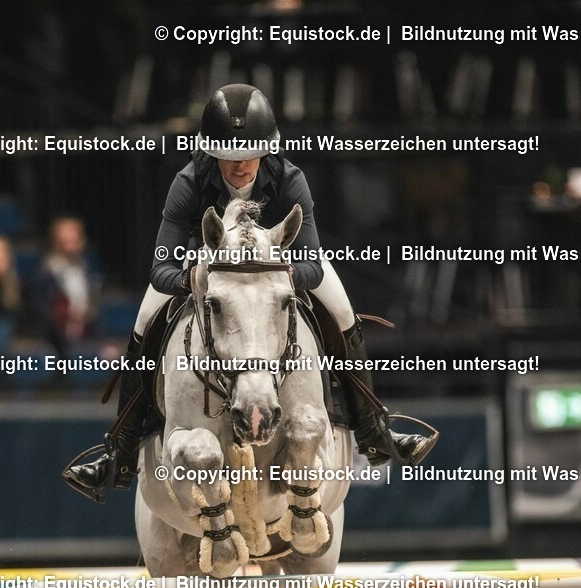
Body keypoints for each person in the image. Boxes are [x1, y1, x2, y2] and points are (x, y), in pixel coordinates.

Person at [65, 84, 433, 501]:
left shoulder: (290, 179)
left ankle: (373, 429)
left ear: (267, 149)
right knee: (144, 322)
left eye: (250, 154)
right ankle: (120, 451)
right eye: (229, 155)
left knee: (343, 311)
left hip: (276, 270)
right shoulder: (188, 182)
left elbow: (312, 264)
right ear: (211, 152)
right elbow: (161, 267)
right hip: (209, 267)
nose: (240, 165)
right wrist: (191, 279)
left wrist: (276, 276)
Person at [34, 216, 100, 356]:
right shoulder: (45, 274)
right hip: (55, 340)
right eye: (63, 242)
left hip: (87, 335)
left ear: (82, 242)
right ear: (54, 243)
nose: (69, 248)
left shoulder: (89, 271)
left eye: (74, 242)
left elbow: (96, 308)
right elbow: (42, 312)